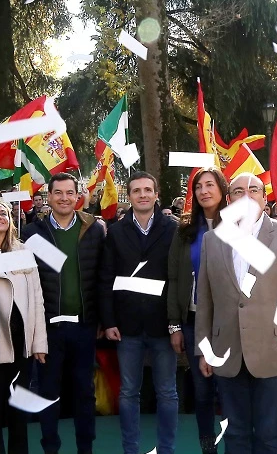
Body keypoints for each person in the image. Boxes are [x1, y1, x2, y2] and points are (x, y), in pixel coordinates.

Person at [195, 173, 277, 454]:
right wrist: (204, 349)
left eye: (254, 190)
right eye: (238, 191)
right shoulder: (212, 240)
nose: (247, 196)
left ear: (265, 199)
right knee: (235, 435)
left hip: (275, 354)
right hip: (226, 354)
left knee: (269, 435)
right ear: (229, 201)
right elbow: (206, 301)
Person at [21, 172, 105, 454]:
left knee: (85, 393)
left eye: (70, 193)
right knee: (48, 393)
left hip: (84, 327)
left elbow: (101, 278)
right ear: (49, 196)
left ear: (77, 196)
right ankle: (50, 448)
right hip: (48, 330)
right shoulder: (33, 233)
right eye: (59, 193)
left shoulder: (93, 229)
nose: (65, 198)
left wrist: (103, 320)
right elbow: (27, 284)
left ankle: (86, 449)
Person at [102, 171, 179, 454]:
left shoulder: (173, 229)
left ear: (157, 194)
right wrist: (108, 321)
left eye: (148, 190)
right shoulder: (117, 231)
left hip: (163, 326)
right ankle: (130, 450)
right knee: (128, 393)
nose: (143, 195)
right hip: (127, 326)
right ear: (130, 196)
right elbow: (106, 277)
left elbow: (178, 279)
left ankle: (167, 449)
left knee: (168, 393)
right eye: (137, 190)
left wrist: (176, 324)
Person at [0, 200, 47, 454]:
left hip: (21, 344)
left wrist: (39, 343)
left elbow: (37, 299)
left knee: (19, 412)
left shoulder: (23, 252)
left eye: (4, 213)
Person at [167, 167, 228, 454]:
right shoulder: (186, 230)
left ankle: (236, 442)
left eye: (209, 185)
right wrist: (175, 325)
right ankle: (208, 447)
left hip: (230, 323)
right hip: (193, 320)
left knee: (230, 390)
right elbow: (174, 278)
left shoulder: (239, 227)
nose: (204, 191)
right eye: (198, 186)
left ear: (222, 189)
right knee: (203, 391)